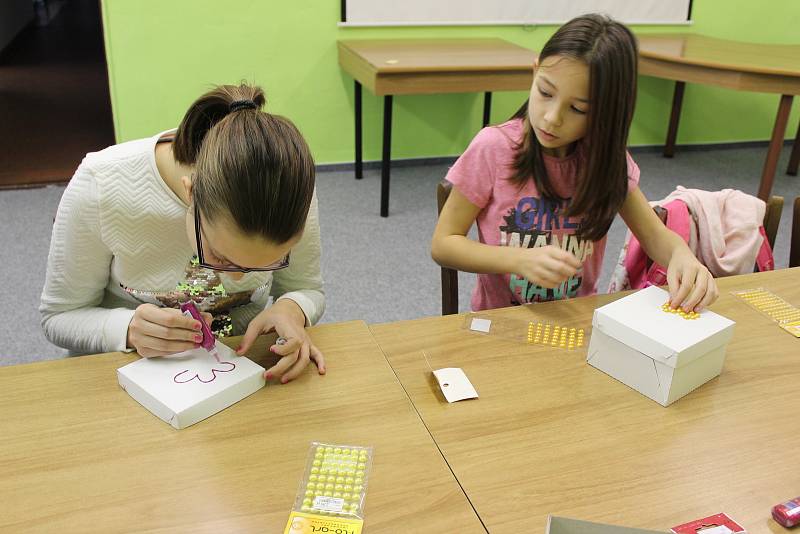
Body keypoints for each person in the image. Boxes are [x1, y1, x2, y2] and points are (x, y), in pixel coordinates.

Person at [431, 14, 718, 312]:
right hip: (503, 319)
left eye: (578, 108)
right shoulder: (494, 148)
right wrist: (518, 259)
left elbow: (655, 236)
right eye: (545, 92)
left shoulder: (606, 160)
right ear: (534, 71)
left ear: (604, 114)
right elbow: (443, 243)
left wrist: (681, 254)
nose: (552, 117)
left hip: (576, 320)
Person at [40, 83, 325, 383]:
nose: (238, 278)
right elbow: (58, 316)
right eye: (220, 256)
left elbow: (308, 289)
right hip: (123, 378)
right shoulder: (101, 185)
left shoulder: (289, 191)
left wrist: (292, 309)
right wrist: (127, 329)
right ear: (191, 194)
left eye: (269, 262)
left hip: (239, 372)